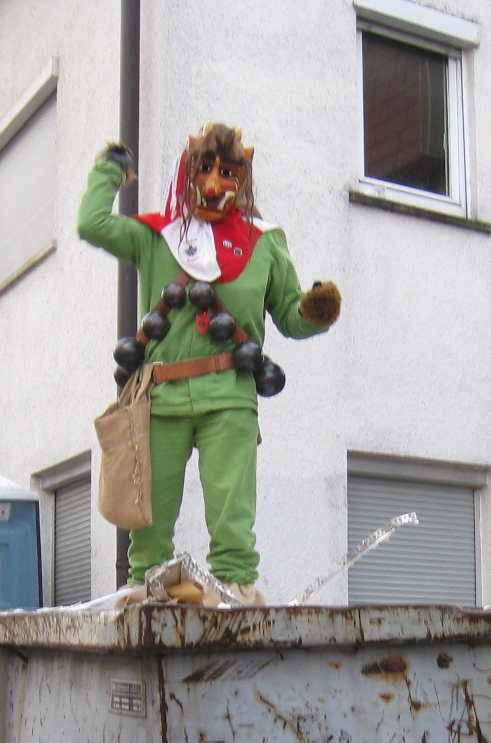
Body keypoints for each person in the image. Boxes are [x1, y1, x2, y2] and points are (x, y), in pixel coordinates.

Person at [77, 122, 341, 605]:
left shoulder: (265, 241)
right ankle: (146, 594)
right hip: (161, 396)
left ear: (243, 178)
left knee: (232, 513)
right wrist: (109, 172)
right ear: (188, 172)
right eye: (205, 169)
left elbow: (289, 315)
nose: (215, 183)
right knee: (149, 517)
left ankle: (235, 593)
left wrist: (314, 311)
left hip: (229, 395)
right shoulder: (158, 236)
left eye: (228, 172)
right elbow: (92, 224)